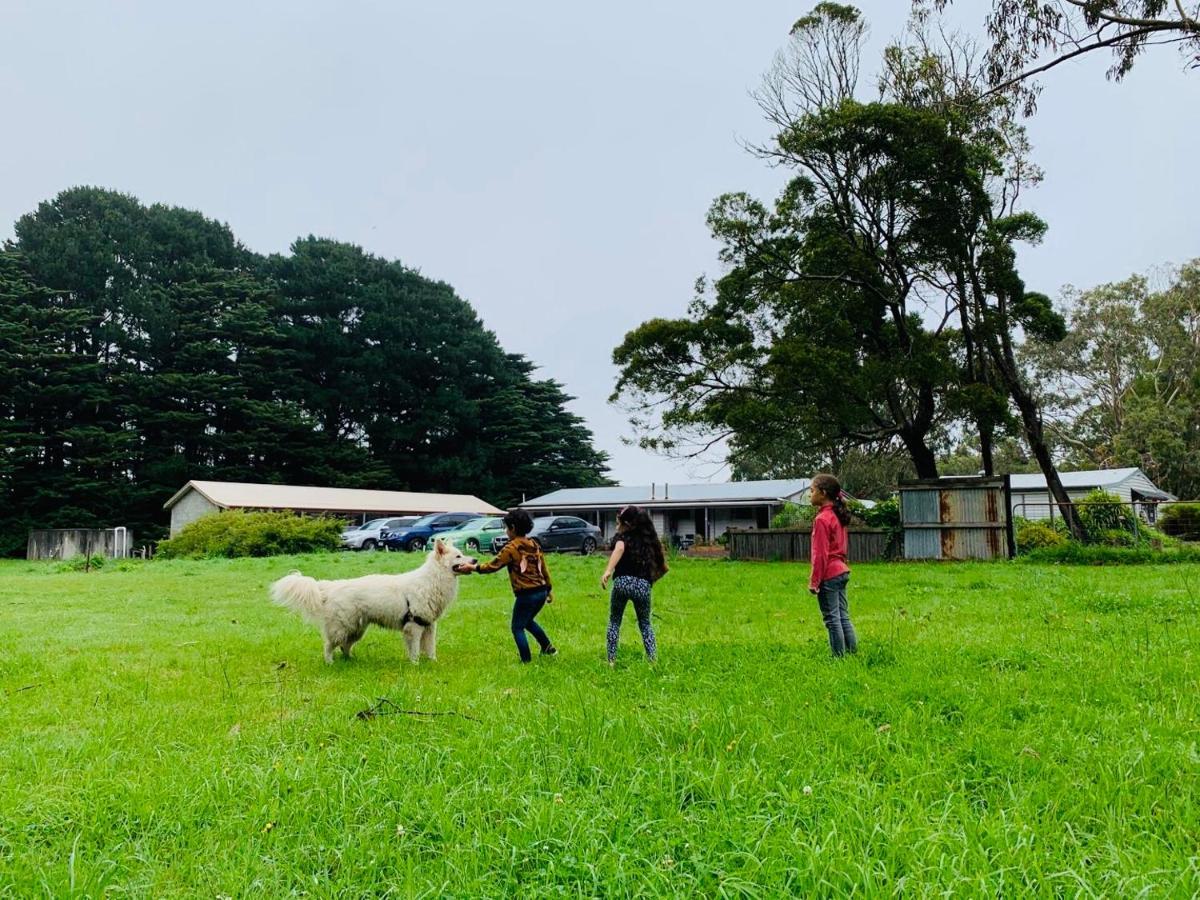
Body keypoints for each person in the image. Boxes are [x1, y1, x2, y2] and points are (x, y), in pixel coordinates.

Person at [466, 509, 557, 662]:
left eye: (506, 527)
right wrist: (548, 589)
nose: (506, 531)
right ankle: (548, 649)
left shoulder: (511, 548)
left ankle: (526, 660)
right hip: (541, 591)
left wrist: (473, 567)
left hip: (526, 594)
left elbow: (493, 565)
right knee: (527, 621)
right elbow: (543, 568)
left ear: (513, 528)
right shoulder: (534, 544)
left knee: (517, 627)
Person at [600, 505, 667, 665]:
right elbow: (661, 565)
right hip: (643, 586)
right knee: (645, 624)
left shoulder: (623, 538)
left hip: (622, 583)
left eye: (619, 523)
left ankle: (611, 660)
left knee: (615, 621)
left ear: (627, 524)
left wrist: (608, 570)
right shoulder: (649, 540)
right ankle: (653, 660)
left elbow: (620, 548)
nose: (617, 526)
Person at [809, 473, 857, 657]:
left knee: (832, 619)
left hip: (829, 574)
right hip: (842, 571)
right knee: (843, 615)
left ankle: (839, 658)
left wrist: (814, 582)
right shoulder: (838, 515)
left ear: (823, 493)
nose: (810, 495)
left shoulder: (822, 519)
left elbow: (820, 555)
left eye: (812, 491)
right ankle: (852, 655)